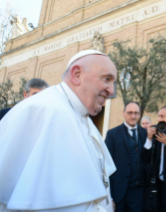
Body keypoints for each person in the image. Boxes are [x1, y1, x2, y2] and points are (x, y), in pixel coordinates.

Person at [0, 49, 117, 212]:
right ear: (77, 75)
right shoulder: (44, 111)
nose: (112, 91)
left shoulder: (84, 118)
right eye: (106, 79)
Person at [105, 101, 147, 212]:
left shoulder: (146, 134)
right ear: (123, 113)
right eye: (130, 113)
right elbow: (106, 165)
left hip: (138, 193)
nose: (133, 116)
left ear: (140, 114)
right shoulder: (112, 134)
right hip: (118, 192)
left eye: (136, 113)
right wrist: (110, 196)